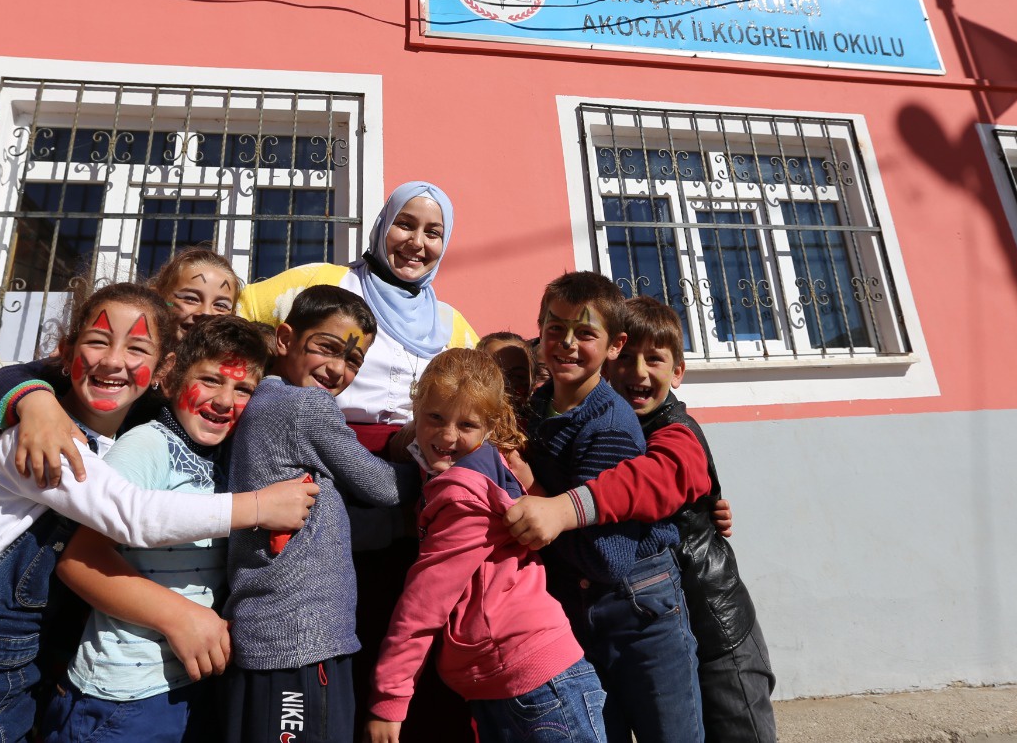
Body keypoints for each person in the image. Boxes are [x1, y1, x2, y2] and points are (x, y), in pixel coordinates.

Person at [0, 283, 318, 743]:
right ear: (66, 353)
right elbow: (130, 515)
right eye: (98, 342)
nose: (114, 361)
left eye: (137, 349)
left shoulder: (112, 441)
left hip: (13, 672)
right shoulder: (40, 441)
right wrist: (258, 506)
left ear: (162, 369)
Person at [507, 297, 775, 743]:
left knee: (737, 731)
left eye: (655, 359)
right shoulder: (595, 421)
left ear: (678, 372)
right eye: (628, 357)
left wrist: (562, 508)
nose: (638, 372)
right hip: (640, 613)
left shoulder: (678, 431)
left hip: (713, 622)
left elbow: (649, 481)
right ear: (611, 355)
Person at [37, 315, 274, 743]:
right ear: (169, 380)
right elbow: (79, 559)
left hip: (188, 686)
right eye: (210, 380)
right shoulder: (148, 444)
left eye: (243, 389)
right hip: (121, 699)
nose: (225, 400)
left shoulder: (225, 458)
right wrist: (180, 617)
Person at [366, 349, 606, 743]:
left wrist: (388, 699)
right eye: (435, 418)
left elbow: (424, 603)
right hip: (520, 677)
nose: (446, 436)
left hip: (532, 683)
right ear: (416, 407)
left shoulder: (461, 493)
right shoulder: (488, 467)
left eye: (466, 424)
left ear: (489, 427)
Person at [523, 272, 705, 743]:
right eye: (555, 328)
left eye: (585, 333)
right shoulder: (535, 410)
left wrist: (537, 492)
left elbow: (609, 558)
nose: (566, 343)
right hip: (573, 607)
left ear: (613, 345)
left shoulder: (611, 424)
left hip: (637, 604)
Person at [225, 285, 407, 743]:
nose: (338, 369)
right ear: (285, 339)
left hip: (275, 633)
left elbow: (325, 522)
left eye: (353, 361)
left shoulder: (264, 402)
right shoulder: (304, 406)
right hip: (299, 639)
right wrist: (435, 463)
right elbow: (384, 487)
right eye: (327, 347)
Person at [0, 245, 245, 489]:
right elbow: (6, 379)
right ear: (156, 299)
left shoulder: (229, 375)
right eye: (190, 298)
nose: (206, 312)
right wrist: (37, 406)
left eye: (221, 305)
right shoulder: (106, 363)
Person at [237, 181, 477, 430]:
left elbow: (486, 389)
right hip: (315, 447)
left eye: (432, 233)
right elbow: (236, 311)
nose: (417, 242)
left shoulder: (449, 322)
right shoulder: (322, 281)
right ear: (383, 224)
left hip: (412, 459)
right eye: (405, 224)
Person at [477, 331, 537, 427]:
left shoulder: (540, 429)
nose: (505, 384)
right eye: (493, 373)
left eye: (518, 376)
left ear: (532, 381)